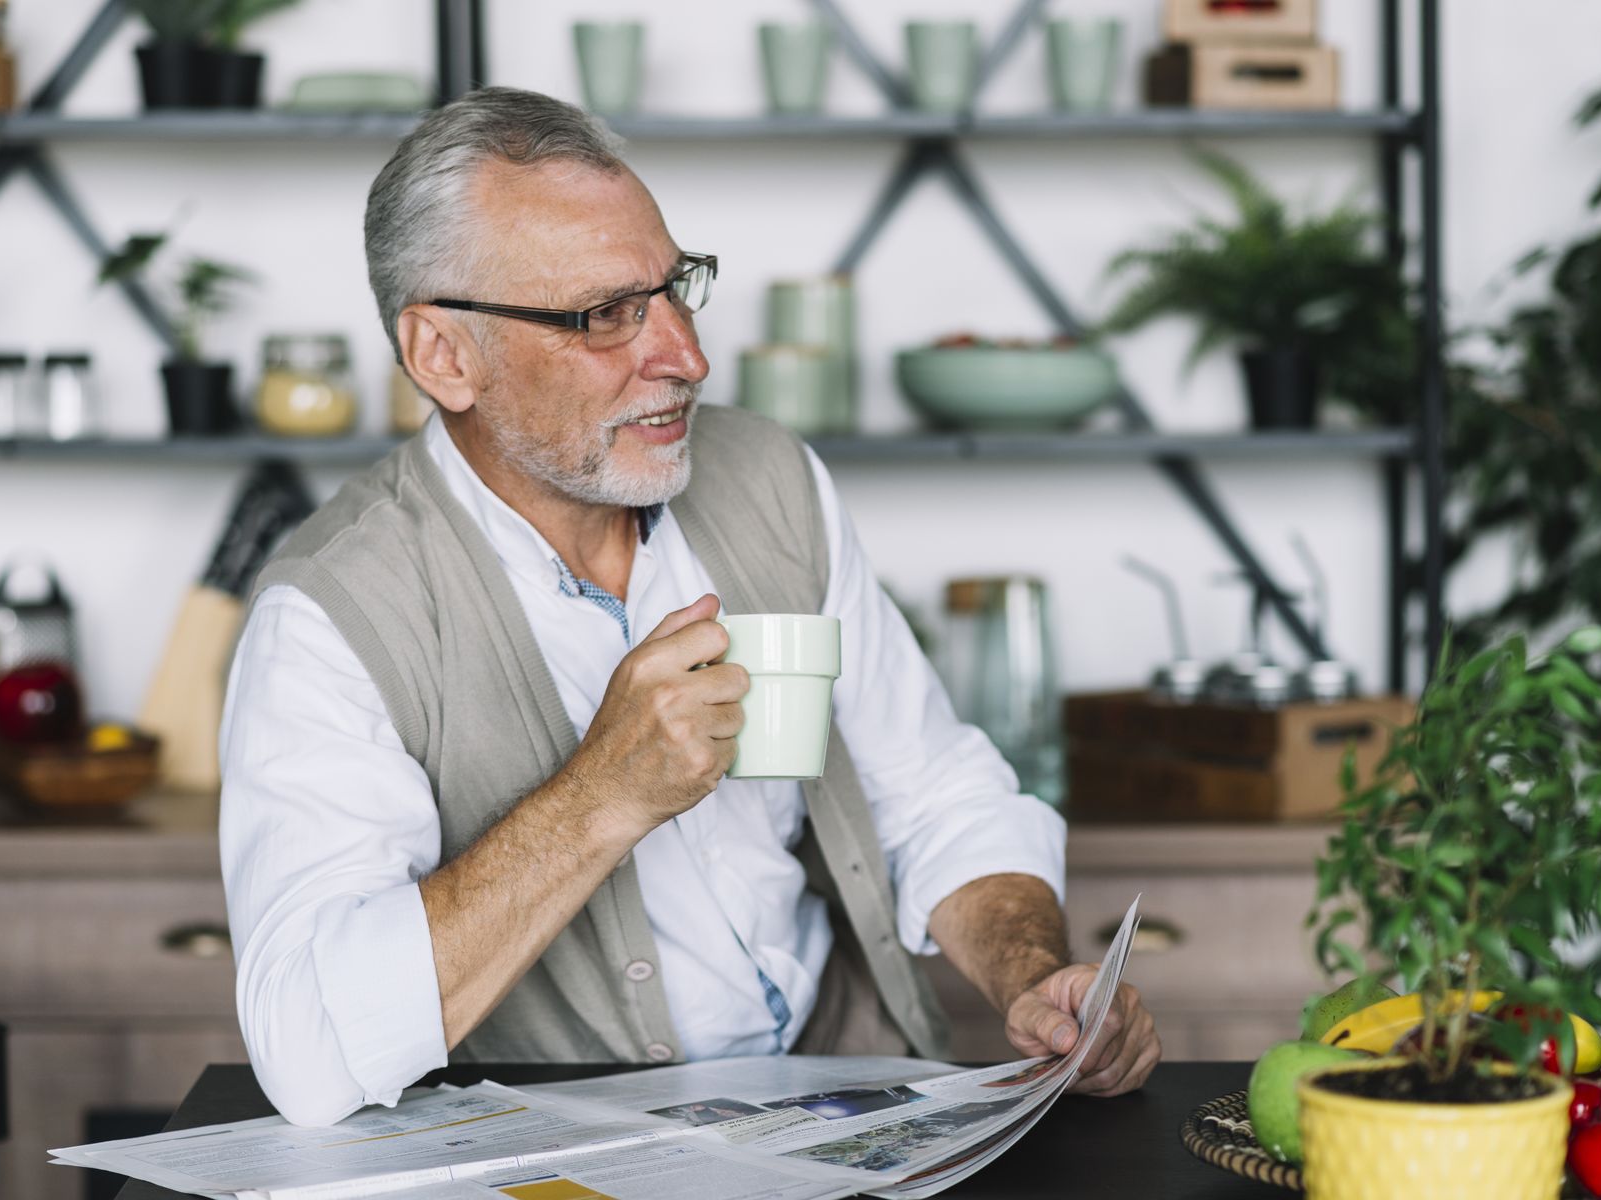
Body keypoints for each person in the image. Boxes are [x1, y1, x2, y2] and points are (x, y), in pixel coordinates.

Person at [218, 87, 1160, 1127]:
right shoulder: (331, 614)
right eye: (605, 315)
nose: (685, 356)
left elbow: (934, 795)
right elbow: (307, 1052)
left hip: (843, 1115)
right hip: (559, 1160)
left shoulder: (772, 480)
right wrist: (602, 795)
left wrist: (1033, 977)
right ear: (444, 355)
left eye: (676, 290)